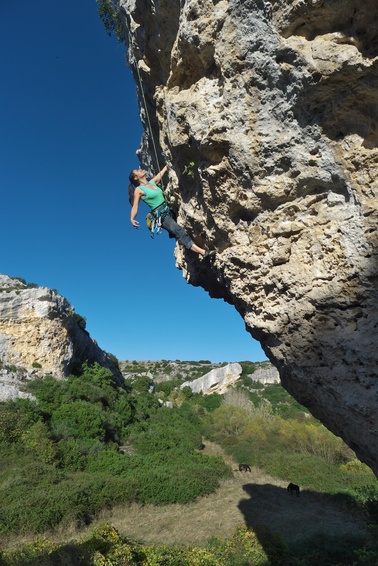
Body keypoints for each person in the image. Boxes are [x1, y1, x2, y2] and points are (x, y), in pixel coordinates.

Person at [129, 165, 216, 258]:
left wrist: (167, 165)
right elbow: (135, 206)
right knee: (180, 232)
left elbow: (161, 173)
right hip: (161, 216)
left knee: (184, 226)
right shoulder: (139, 190)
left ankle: (175, 234)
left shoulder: (152, 182)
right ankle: (203, 252)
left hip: (168, 210)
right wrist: (132, 218)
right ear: (136, 177)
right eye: (137, 170)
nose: (140, 169)